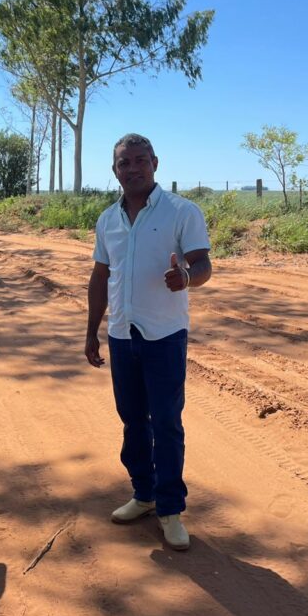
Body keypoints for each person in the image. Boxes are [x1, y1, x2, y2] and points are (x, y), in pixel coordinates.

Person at [85, 133, 212, 551]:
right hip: (123, 334)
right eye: (125, 162)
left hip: (164, 336)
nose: (133, 168)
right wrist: (92, 332)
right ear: (114, 169)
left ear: (155, 163)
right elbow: (101, 277)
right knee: (132, 420)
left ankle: (171, 510)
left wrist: (187, 278)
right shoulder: (108, 220)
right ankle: (143, 494)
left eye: (141, 160)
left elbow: (203, 263)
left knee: (167, 423)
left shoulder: (182, 212)